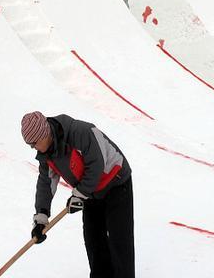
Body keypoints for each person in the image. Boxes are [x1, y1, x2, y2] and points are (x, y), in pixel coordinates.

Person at [22, 111, 134, 277]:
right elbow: (46, 182)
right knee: (94, 241)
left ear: (45, 134)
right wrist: (41, 217)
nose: (33, 148)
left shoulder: (79, 132)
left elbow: (97, 164)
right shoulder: (47, 154)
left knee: (119, 241)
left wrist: (80, 194)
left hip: (115, 182)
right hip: (89, 191)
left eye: (34, 143)